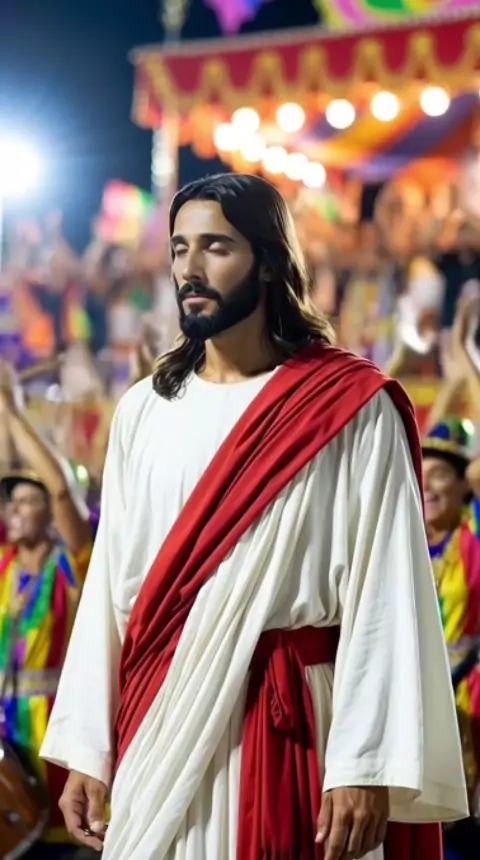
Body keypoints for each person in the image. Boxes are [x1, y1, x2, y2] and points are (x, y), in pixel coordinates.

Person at [42, 174, 467, 860]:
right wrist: (88, 749)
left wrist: (363, 762)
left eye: (216, 247)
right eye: (180, 248)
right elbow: (110, 590)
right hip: (163, 712)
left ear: (269, 262)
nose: (190, 268)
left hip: (295, 727)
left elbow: (386, 592)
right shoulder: (144, 411)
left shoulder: (350, 408)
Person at [0, 363, 93, 858]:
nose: (13, 510)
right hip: (6, 729)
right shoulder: (4, 564)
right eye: (10, 502)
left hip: (53, 730)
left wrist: (14, 411)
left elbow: (61, 490)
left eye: (26, 501)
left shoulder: (71, 565)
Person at [422, 419, 480, 860]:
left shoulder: (473, 541)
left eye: (439, 474)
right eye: (420, 475)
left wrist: (462, 377)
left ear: (463, 485)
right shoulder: (404, 544)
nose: (426, 485)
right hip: (418, 705)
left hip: (470, 705)